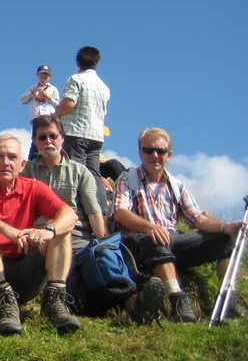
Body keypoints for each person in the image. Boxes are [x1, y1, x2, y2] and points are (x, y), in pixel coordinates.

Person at [21, 115, 165, 322]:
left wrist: (104, 243)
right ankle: (131, 304)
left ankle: (133, 302)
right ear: (34, 141)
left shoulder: (81, 172)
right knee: (79, 273)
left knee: (100, 262)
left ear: (62, 138)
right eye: (42, 138)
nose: (48, 141)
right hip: (41, 238)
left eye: (53, 136)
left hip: (78, 238)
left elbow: (94, 213)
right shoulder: (26, 172)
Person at [112, 127, 248, 322]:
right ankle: (177, 299)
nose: (155, 155)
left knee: (227, 241)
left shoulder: (177, 185)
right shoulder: (128, 179)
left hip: (173, 241)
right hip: (139, 243)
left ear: (169, 155)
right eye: (148, 150)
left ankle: (227, 299)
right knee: (156, 238)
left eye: (160, 151)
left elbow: (199, 219)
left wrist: (226, 227)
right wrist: (150, 227)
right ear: (140, 153)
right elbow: (120, 213)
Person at [0, 133, 81, 335]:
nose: (5, 162)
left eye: (12, 157)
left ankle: (55, 300)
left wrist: (47, 232)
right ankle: (3, 298)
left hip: (24, 274)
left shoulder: (34, 188)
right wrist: (7, 229)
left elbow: (69, 214)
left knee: (60, 228)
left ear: (22, 164)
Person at [55, 46, 110, 183]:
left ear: (78, 64)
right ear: (96, 63)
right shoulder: (104, 87)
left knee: (75, 170)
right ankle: (98, 203)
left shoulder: (76, 79)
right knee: (94, 173)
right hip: (96, 135)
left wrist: (55, 114)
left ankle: (76, 204)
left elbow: (69, 103)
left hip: (76, 131)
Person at [19, 65, 59, 158]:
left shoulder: (53, 89)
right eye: (41, 76)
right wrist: (32, 92)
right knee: (36, 142)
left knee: (48, 140)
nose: (43, 79)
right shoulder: (32, 88)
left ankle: (49, 158)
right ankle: (33, 163)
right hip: (36, 120)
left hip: (48, 120)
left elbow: (58, 105)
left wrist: (48, 97)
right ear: (37, 76)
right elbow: (22, 101)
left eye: (45, 77)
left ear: (49, 77)